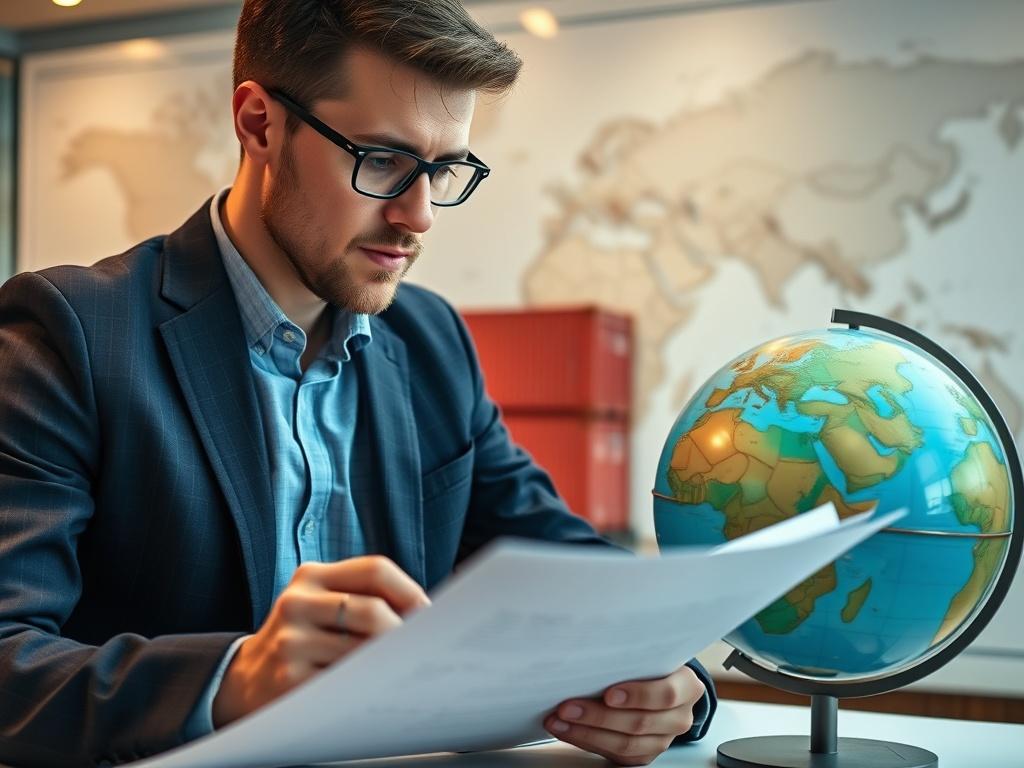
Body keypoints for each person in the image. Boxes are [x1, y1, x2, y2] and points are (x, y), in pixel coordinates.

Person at [0, 2, 716, 766]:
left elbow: (568, 565)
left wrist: (678, 683)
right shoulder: (70, 333)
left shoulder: (431, 339)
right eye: (381, 160)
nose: (419, 216)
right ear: (259, 124)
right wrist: (232, 679)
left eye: (444, 170)